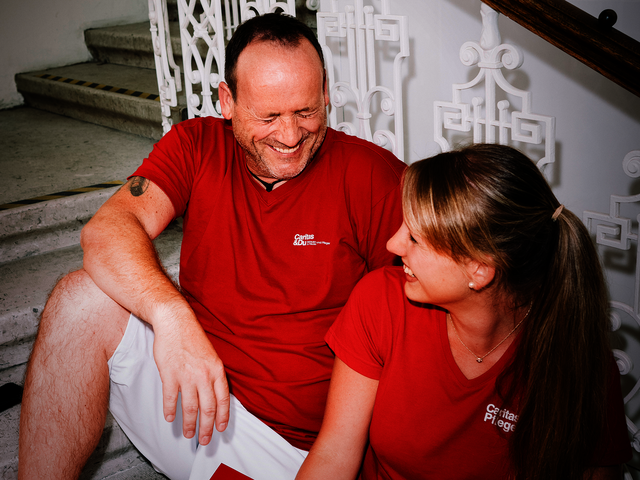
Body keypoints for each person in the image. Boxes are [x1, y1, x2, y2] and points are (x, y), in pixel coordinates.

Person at [18, 13, 406, 480]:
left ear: (325, 93)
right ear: (227, 101)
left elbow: (425, 325)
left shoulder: (374, 177)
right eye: (268, 116)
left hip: (302, 453)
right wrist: (171, 315)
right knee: (80, 298)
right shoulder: (196, 145)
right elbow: (108, 230)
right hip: (194, 401)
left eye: (306, 112)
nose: (289, 136)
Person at [296, 144, 632, 480]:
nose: (393, 245)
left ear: (478, 270)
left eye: (414, 237)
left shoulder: (580, 364)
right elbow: (335, 453)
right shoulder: (380, 298)